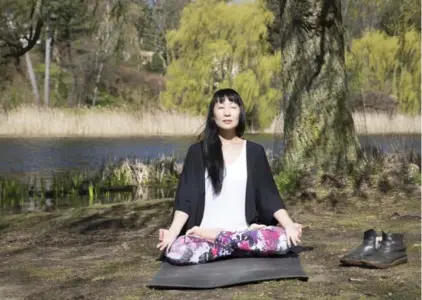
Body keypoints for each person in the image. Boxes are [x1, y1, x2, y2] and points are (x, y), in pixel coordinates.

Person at [156, 88, 303, 265]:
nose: (227, 112)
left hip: (243, 231)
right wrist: (172, 232)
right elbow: (186, 198)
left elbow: (269, 195)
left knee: (282, 240)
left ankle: (223, 242)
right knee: (178, 251)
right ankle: (239, 247)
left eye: (233, 107)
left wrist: (288, 225)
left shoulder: (255, 152)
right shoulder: (197, 152)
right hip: (203, 235)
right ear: (212, 115)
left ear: (240, 113)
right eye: (220, 107)